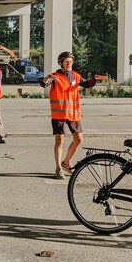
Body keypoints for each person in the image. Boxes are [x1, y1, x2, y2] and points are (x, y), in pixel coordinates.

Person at [41, 51, 99, 179]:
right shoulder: (55, 76)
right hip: (59, 114)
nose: (69, 64)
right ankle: (58, 168)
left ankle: (66, 163)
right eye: (67, 62)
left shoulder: (76, 76)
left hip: (73, 114)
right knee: (59, 141)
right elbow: (43, 83)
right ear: (60, 63)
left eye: (71, 62)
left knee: (78, 139)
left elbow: (86, 84)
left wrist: (94, 80)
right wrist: (47, 78)